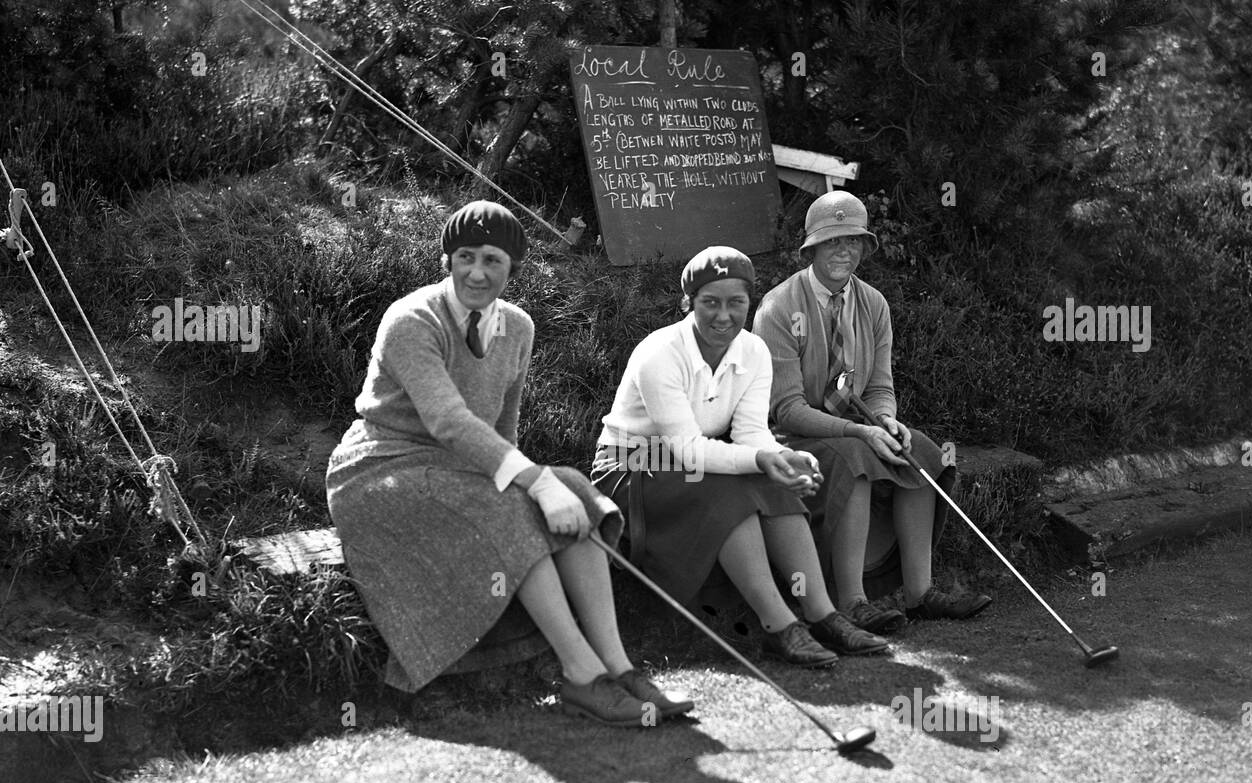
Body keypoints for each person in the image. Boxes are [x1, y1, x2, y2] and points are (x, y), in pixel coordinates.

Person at [326, 200, 692, 727]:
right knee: (518, 509)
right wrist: (531, 484)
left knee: (576, 489)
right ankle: (582, 675)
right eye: (465, 256)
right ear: (447, 260)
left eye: (492, 260)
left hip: (459, 467)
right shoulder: (411, 320)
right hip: (381, 469)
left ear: (511, 269)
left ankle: (619, 667)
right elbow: (449, 420)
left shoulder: (517, 327)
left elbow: (502, 429)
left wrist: (541, 482)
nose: (477, 272)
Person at [592, 246, 891, 668]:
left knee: (770, 483)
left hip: (693, 464)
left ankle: (823, 614)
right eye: (710, 302)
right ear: (687, 302)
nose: (723, 315)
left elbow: (751, 433)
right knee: (729, 492)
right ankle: (778, 627)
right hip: (632, 468)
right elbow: (686, 447)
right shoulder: (660, 352)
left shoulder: (753, 351)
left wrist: (782, 458)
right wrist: (760, 461)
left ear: (749, 303)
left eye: (736, 303)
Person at [753, 191, 991, 627]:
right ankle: (852, 601)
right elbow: (786, 409)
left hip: (857, 425)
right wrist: (861, 433)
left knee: (919, 450)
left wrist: (885, 419)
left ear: (864, 247)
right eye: (832, 242)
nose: (844, 251)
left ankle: (919, 593)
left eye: (853, 241)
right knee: (857, 459)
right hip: (794, 434)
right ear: (811, 249)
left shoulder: (874, 303)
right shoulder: (779, 308)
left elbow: (879, 385)